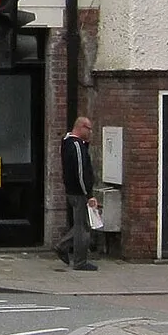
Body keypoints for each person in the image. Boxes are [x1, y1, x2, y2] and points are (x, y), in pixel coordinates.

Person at [56, 114, 98, 271]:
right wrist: (88, 194)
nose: (90, 132)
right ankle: (79, 261)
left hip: (72, 191)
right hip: (79, 192)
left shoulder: (67, 142)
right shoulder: (76, 146)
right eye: (89, 129)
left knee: (82, 224)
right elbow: (81, 171)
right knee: (83, 228)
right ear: (81, 127)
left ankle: (62, 245)